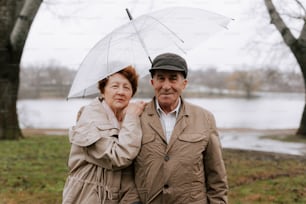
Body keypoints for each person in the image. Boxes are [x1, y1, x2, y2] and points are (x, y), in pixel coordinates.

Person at [134, 53, 228, 203]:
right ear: (152, 82)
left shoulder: (205, 118)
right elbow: (126, 174)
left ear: (184, 83)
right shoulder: (136, 116)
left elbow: (216, 175)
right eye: (160, 78)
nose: (166, 86)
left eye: (173, 78)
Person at [62, 66, 145, 204]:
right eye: (114, 86)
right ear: (102, 90)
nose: (120, 92)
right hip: (87, 197)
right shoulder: (91, 120)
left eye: (126, 87)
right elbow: (119, 157)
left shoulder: (127, 119)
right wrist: (131, 117)